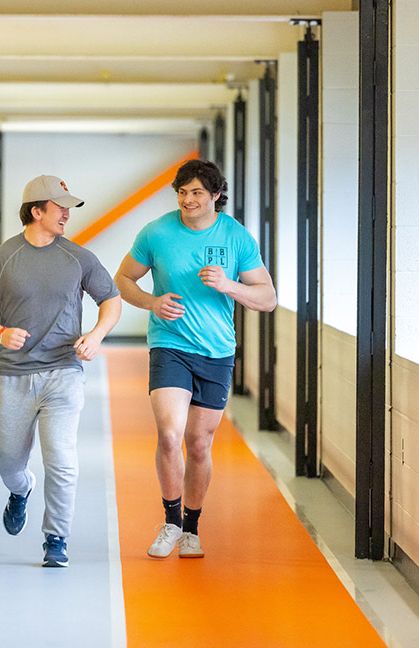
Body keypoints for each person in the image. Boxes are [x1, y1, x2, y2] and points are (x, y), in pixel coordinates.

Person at [113, 158, 276, 559]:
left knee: (198, 445)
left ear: (216, 195)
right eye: (183, 192)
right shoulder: (157, 232)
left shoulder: (236, 237)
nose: (188, 200)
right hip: (170, 344)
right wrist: (152, 302)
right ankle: (169, 523)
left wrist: (229, 284)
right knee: (170, 435)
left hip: (217, 351)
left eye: (197, 193)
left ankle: (191, 528)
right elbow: (123, 279)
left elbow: (268, 299)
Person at [0, 174, 122, 568]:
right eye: (60, 207)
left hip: (63, 372)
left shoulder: (79, 258)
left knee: (62, 458)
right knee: (6, 460)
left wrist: (97, 334)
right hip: (12, 375)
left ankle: (56, 538)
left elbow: (111, 299)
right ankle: (20, 492)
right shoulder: (3, 258)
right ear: (36, 211)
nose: (67, 214)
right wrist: (0, 332)